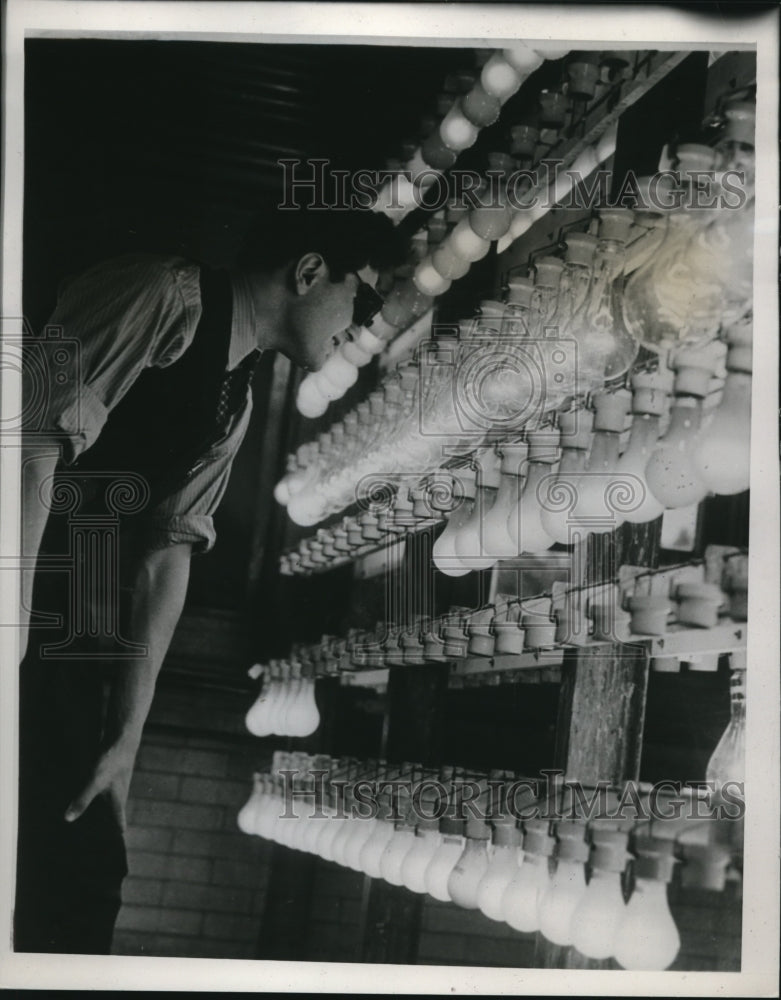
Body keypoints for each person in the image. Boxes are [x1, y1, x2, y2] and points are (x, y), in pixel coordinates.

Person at [15, 206, 403, 953]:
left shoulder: (237, 399)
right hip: (23, 595)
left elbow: (168, 553)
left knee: (83, 873)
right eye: (364, 299)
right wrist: (12, 627)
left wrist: (125, 741)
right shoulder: (160, 295)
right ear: (309, 271)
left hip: (71, 630)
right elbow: (29, 437)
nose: (363, 325)